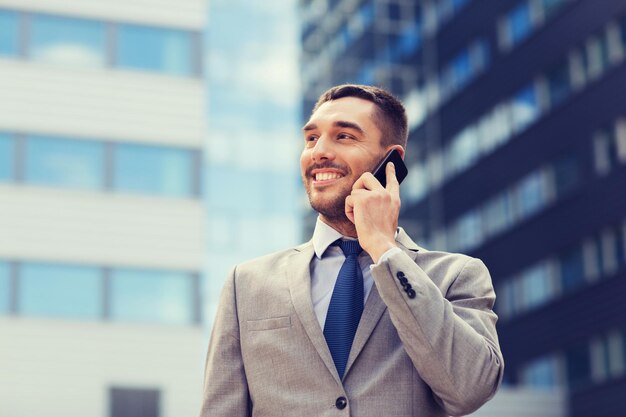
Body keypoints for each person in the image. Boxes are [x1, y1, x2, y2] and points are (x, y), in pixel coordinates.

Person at [200, 84, 503, 417]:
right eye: (312, 138)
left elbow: (470, 389)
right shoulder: (246, 284)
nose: (318, 152)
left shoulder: (455, 276)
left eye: (344, 136)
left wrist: (386, 251)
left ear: (392, 161)